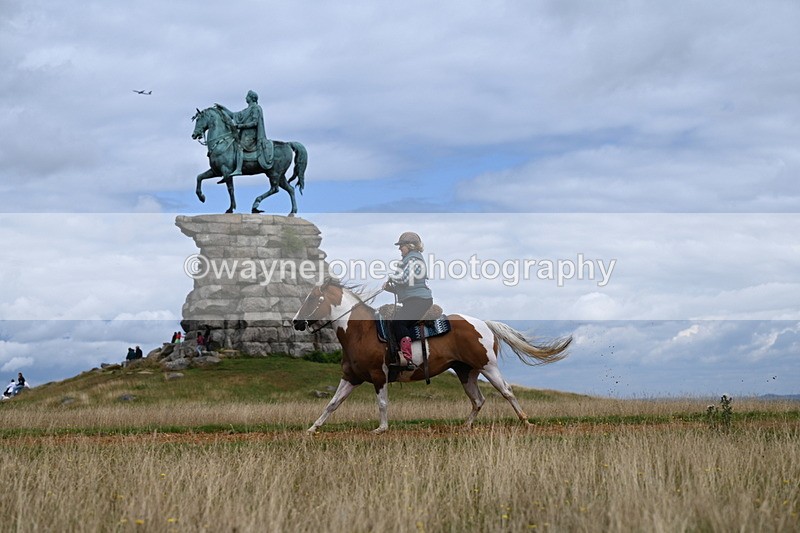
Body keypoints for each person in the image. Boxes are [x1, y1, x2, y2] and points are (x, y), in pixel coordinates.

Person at [383, 231, 433, 366]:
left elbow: (405, 279)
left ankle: (407, 358)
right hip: (414, 299)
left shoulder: (414, 260)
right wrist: (391, 289)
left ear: (410, 246)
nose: (399, 248)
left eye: (401, 246)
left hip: (419, 301)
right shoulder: (408, 260)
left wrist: (391, 277)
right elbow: (407, 286)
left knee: (399, 322)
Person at [215, 90, 273, 177]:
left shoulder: (256, 108)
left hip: (251, 136)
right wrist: (223, 108)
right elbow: (233, 115)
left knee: (239, 146)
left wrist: (240, 126)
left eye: (247, 96)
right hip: (243, 135)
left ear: (251, 98)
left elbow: (255, 122)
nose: (245, 98)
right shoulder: (247, 110)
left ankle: (238, 169)